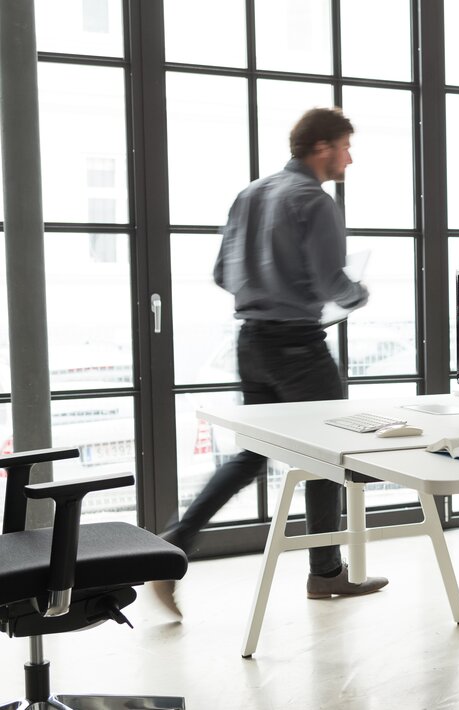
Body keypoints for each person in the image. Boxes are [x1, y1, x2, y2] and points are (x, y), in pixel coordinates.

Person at [152, 107, 387, 617]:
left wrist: (268, 286)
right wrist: (357, 293)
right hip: (299, 345)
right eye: (346, 145)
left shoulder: (250, 194)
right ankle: (326, 573)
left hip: (252, 341)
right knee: (329, 453)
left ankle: (177, 539)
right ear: (321, 147)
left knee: (253, 451)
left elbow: (222, 273)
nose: (351, 156)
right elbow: (331, 283)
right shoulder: (314, 202)